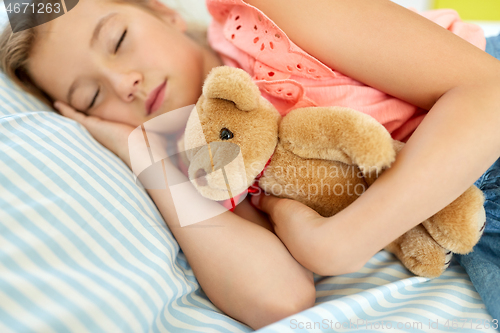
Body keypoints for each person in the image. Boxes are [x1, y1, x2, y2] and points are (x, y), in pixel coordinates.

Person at [0, 0, 499, 329]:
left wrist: (340, 243)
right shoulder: (206, 162)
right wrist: (146, 157)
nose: (123, 81)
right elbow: (278, 300)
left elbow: (490, 92)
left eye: (117, 40)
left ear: (162, 11)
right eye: (91, 95)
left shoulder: (270, 16)